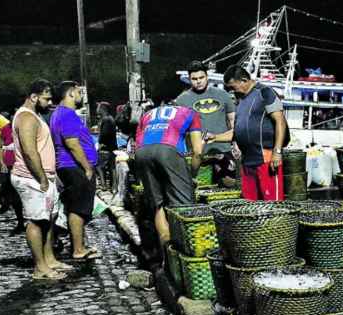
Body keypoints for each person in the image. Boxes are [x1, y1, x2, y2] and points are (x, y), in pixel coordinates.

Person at [133, 94, 203, 274]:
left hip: (142, 154)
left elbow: (137, 145)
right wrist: (191, 175)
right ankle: (185, 263)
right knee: (183, 207)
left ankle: (166, 260)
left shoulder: (147, 115)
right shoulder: (190, 112)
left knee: (158, 205)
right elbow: (197, 151)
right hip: (168, 150)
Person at [11, 80, 71, 280]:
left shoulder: (34, 116)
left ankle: (49, 259)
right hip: (32, 178)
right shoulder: (27, 118)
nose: (50, 101)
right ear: (34, 97)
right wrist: (42, 179)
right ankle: (40, 267)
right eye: (46, 97)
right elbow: (29, 152)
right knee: (36, 221)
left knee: (49, 219)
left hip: (44, 177)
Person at [208, 66, 287, 201]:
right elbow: (238, 132)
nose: (232, 92)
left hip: (266, 159)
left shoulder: (265, 92)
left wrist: (277, 152)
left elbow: (280, 122)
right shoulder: (241, 100)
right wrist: (215, 137)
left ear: (244, 80)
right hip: (247, 162)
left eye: (233, 87)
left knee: (273, 207)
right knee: (250, 206)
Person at [50, 81, 100, 260]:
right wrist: (87, 167)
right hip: (74, 166)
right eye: (79, 92)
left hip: (69, 166)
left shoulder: (59, 114)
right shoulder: (67, 114)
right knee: (78, 209)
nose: (81, 96)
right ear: (70, 93)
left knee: (77, 207)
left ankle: (80, 245)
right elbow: (72, 144)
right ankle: (78, 249)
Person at [175, 61, 237, 187]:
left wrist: (236, 144)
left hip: (223, 150)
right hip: (198, 155)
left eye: (201, 77)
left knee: (228, 188)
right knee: (197, 190)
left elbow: (233, 122)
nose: (198, 81)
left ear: (207, 76)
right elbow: (178, 130)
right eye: (194, 79)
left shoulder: (223, 95)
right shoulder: (181, 100)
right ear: (189, 79)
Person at [0, 111, 25, 233]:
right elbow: (0, 146)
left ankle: (29, 221)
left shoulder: (25, 128)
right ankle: (20, 222)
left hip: (23, 166)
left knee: (23, 194)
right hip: (9, 166)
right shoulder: (5, 129)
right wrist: (2, 163)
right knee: (13, 195)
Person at [96, 102, 118, 192]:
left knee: (99, 166)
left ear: (102, 109)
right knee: (111, 167)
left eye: (98, 107)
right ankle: (113, 187)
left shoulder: (106, 120)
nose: (97, 109)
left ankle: (104, 185)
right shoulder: (110, 119)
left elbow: (104, 134)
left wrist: (100, 142)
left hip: (106, 148)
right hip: (111, 147)